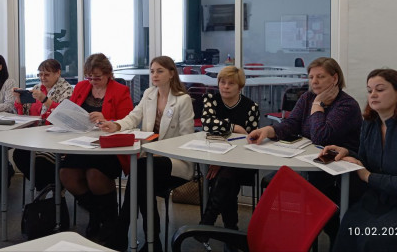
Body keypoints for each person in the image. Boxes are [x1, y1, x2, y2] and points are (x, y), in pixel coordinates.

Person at [248, 57, 363, 247]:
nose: (314, 82)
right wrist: (268, 130)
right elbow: (292, 124)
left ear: (335, 78)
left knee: (321, 206)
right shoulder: (307, 97)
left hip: (340, 171)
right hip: (313, 164)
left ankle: (334, 238)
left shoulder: (346, 105)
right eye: (311, 77)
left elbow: (321, 137)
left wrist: (318, 104)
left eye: (320, 77)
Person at [99, 56, 195, 252]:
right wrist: (116, 125)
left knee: (141, 171)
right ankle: (152, 241)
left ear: (171, 73)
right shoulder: (149, 94)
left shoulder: (182, 100)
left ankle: (123, 231)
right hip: (150, 160)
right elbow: (133, 117)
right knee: (143, 180)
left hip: (175, 160)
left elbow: (186, 139)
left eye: (160, 71)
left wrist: (160, 152)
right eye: (152, 71)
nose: (154, 75)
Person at [59, 53, 133, 243]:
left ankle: (109, 219)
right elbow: (71, 111)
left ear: (108, 74)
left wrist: (107, 119)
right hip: (83, 143)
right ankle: (98, 213)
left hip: (108, 148)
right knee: (66, 174)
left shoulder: (120, 91)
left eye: (97, 77)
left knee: (95, 176)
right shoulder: (82, 87)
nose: (93, 81)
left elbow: (128, 122)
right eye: (89, 77)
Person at [323, 68, 397, 252]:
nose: (373, 95)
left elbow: (367, 173)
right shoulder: (370, 124)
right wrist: (346, 152)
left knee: (376, 240)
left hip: (393, 200)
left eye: (380, 89)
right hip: (377, 197)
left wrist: (368, 177)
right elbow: (365, 162)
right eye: (370, 90)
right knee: (347, 226)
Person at [198, 66, 260, 252]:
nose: (225, 86)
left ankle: (207, 224)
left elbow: (250, 140)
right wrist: (235, 128)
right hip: (215, 157)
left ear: (240, 86)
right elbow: (207, 124)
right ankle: (231, 232)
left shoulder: (251, 107)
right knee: (227, 181)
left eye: (231, 83)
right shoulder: (211, 100)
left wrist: (222, 161)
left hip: (243, 160)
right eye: (222, 82)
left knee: (226, 176)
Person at [12, 59, 73, 191]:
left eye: (46, 74)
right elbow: (25, 115)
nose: (42, 78)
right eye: (40, 74)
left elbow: (65, 115)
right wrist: (19, 100)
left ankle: (53, 188)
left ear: (58, 73)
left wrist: (45, 100)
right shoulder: (37, 88)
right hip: (37, 137)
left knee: (41, 160)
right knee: (19, 154)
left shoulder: (67, 89)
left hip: (57, 139)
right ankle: (46, 187)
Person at [0, 54, 16, 192]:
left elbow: (9, 105)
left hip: (7, 125)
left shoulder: (8, 82)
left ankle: (4, 176)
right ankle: (7, 170)